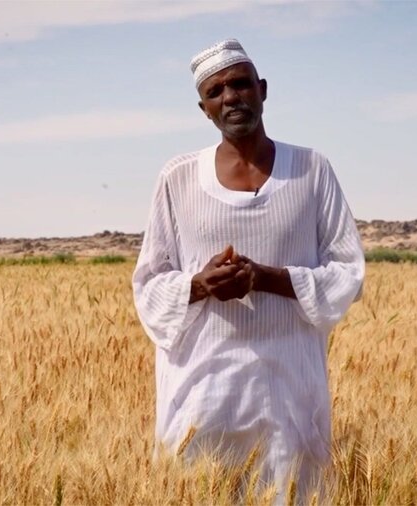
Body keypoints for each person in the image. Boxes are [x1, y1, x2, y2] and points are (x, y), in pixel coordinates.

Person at [132, 39, 365, 500]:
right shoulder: (177, 177)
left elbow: (348, 271)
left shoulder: (312, 170)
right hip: (202, 392)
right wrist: (199, 285)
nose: (231, 97)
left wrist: (267, 278)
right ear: (204, 110)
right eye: (216, 92)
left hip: (290, 392)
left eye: (240, 84)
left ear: (262, 90)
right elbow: (148, 284)